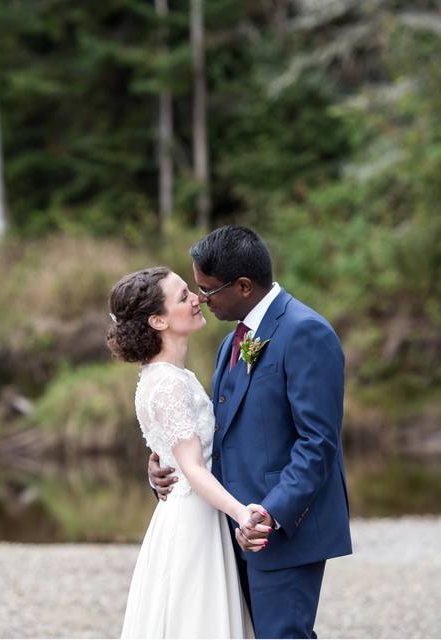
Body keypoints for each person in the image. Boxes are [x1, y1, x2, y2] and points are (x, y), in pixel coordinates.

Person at [148, 225, 352, 639]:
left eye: (207, 289)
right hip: (227, 531)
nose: (201, 299)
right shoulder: (233, 341)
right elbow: (217, 437)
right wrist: (165, 470)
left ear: (242, 286)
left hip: (281, 529)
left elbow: (318, 443)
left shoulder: (305, 331)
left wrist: (268, 516)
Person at [108, 266, 270, 638]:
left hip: (195, 512)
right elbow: (194, 469)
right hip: (194, 519)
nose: (197, 299)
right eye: (183, 296)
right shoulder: (166, 384)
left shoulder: (169, 375)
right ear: (158, 320)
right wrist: (241, 512)